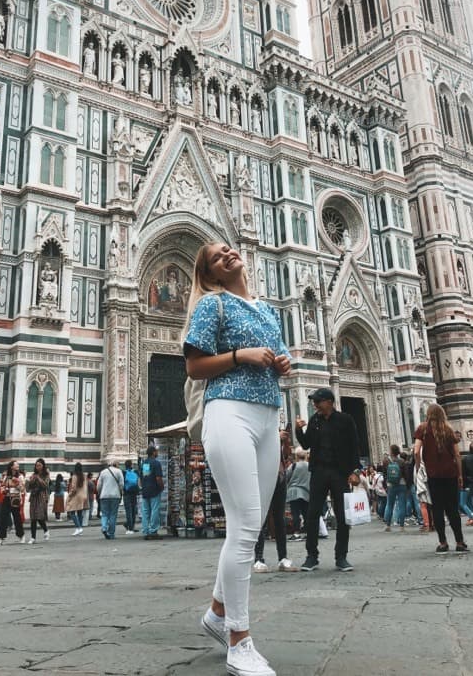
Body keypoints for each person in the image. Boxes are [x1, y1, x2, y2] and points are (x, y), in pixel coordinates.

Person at [184, 240, 291, 676]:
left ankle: (215, 612)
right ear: (210, 274)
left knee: (254, 521)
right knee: (245, 525)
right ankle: (239, 640)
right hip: (228, 409)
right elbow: (194, 366)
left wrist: (283, 364)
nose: (227, 255)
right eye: (216, 258)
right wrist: (239, 356)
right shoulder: (212, 304)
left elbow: (279, 356)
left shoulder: (268, 310)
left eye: (228, 249)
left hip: (268, 416)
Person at [295, 388, 360, 572]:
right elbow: (306, 444)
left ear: (330, 401)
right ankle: (311, 556)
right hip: (319, 471)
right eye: (314, 402)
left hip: (339, 473)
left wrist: (355, 470)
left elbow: (355, 446)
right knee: (312, 513)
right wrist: (298, 430)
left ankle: (341, 557)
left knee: (342, 516)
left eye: (318, 401)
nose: (315, 405)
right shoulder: (315, 420)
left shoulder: (345, 420)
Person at [414, 404, 468, 554]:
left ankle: (443, 543)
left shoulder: (423, 429)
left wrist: (419, 467)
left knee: (437, 508)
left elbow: (416, 451)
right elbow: (457, 455)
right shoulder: (448, 429)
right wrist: (460, 475)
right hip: (450, 474)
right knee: (453, 509)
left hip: (433, 475)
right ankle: (460, 542)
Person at [253, 430, 296, 573]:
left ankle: (283, 558)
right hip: (263, 477)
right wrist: (275, 438)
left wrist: (286, 442)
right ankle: (258, 559)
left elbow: (286, 455)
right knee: (262, 518)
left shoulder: (276, 431)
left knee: (280, 518)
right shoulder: (261, 431)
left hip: (279, 477)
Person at [0, 460, 26, 546]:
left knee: (17, 518)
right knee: (3, 518)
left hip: (15, 498)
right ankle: (0, 538)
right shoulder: (6, 476)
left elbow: (23, 489)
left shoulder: (20, 476)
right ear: (11, 466)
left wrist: (17, 483)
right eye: (16, 464)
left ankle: (21, 535)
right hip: (7, 498)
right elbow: (2, 487)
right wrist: (4, 490)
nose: (18, 466)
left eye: (18, 464)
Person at [140, 445, 165, 540]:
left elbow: (144, 476)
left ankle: (146, 531)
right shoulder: (156, 463)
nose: (157, 453)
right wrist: (161, 487)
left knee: (146, 511)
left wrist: (144, 486)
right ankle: (153, 531)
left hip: (146, 489)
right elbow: (158, 478)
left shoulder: (145, 463)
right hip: (154, 489)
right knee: (155, 510)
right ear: (154, 452)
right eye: (156, 451)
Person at [97, 458, 123, 540]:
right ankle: (111, 533)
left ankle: (104, 528)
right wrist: (120, 491)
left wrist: (100, 493)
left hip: (104, 496)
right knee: (113, 514)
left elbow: (99, 485)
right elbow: (122, 484)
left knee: (104, 514)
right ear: (116, 465)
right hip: (115, 496)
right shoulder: (118, 471)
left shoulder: (103, 472)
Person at [383, 444, 407, 531]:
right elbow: (405, 474)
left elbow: (384, 474)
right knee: (401, 505)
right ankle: (401, 526)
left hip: (391, 485)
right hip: (401, 484)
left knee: (390, 505)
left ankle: (388, 526)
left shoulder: (386, 461)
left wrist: (386, 485)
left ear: (391, 452)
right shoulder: (402, 461)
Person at [287, 448, 310, 539]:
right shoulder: (310, 466)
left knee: (295, 513)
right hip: (306, 493)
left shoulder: (293, 466)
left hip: (294, 492)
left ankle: (296, 533)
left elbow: (286, 476)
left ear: (296, 456)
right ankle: (308, 532)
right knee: (306, 513)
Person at [27, 459, 50, 544]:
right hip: (33, 497)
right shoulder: (34, 474)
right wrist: (31, 480)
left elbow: (45, 485)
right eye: (36, 465)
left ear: (43, 466)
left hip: (41, 497)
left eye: (39, 465)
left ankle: (46, 530)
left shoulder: (46, 475)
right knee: (33, 517)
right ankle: (33, 537)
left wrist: (38, 478)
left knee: (39, 516)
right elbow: (29, 487)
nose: (38, 467)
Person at [66, 462, 88, 536]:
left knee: (71, 512)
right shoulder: (84, 476)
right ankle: (79, 529)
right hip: (82, 496)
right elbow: (85, 487)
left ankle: (78, 527)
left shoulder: (75, 476)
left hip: (76, 496)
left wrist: (70, 495)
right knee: (79, 513)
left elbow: (74, 488)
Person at [123, 459, 140, 534]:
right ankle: (132, 526)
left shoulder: (123, 472)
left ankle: (129, 527)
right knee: (133, 510)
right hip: (134, 493)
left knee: (128, 511)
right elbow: (138, 481)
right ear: (131, 465)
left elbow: (121, 483)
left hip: (127, 493)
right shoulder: (135, 472)